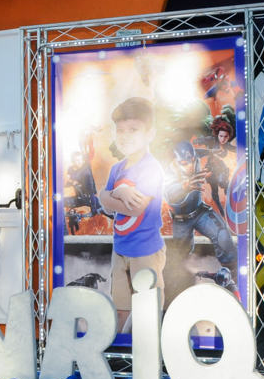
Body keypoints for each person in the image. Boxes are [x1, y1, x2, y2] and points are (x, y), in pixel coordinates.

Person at [96, 97, 166, 328]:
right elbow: (103, 202)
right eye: (120, 130)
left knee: (147, 308)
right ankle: (122, 354)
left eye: (133, 129)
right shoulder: (117, 168)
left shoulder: (150, 168)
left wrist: (112, 194)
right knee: (121, 308)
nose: (125, 136)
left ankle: (149, 356)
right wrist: (121, 191)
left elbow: (135, 208)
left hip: (145, 249)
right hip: (120, 248)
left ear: (150, 133)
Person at [163, 139, 238, 295]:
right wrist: (185, 186)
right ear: (176, 162)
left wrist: (211, 152)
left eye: (191, 161)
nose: (190, 166)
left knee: (223, 234)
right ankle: (178, 287)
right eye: (184, 163)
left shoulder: (194, 156)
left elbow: (198, 152)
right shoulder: (169, 175)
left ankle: (235, 278)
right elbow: (170, 193)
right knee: (181, 255)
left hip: (200, 212)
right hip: (181, 220)